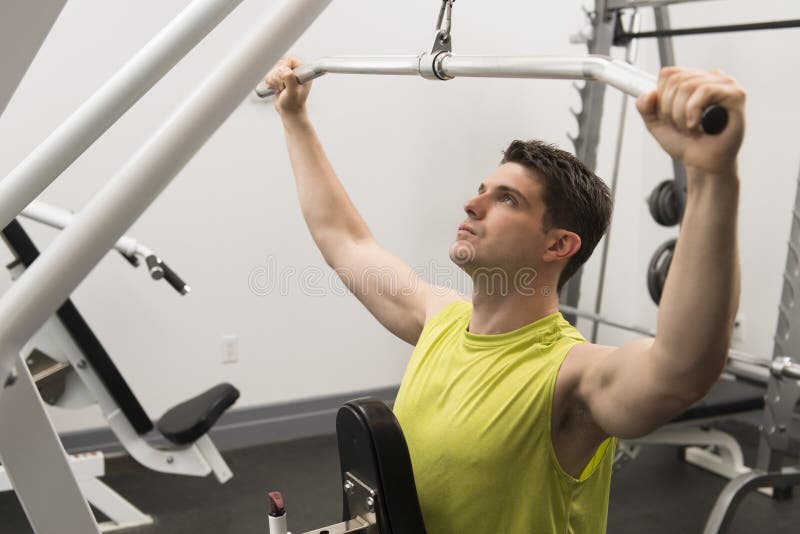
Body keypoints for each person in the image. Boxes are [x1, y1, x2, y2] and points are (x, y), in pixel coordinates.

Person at [263, 58, 745, 533]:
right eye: (482, 190)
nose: (472, 204)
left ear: (557, 244)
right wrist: (295, 117)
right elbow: (346, 241)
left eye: (506, 199)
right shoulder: (440, 319)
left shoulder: (571, 376)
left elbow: (681, 370)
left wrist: (710, 177)